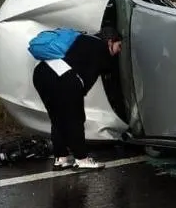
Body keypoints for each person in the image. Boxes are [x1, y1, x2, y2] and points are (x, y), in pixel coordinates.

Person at [31, 31, 123, 170]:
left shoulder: (81, 38)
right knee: (76, 119)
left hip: (41, 73)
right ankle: (82, 159)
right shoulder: (101, 48)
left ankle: (60, 158)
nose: (119, 51)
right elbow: (110, 72)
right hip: (63, 77)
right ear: (110, 41)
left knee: (57, 118)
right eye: (119, 46)